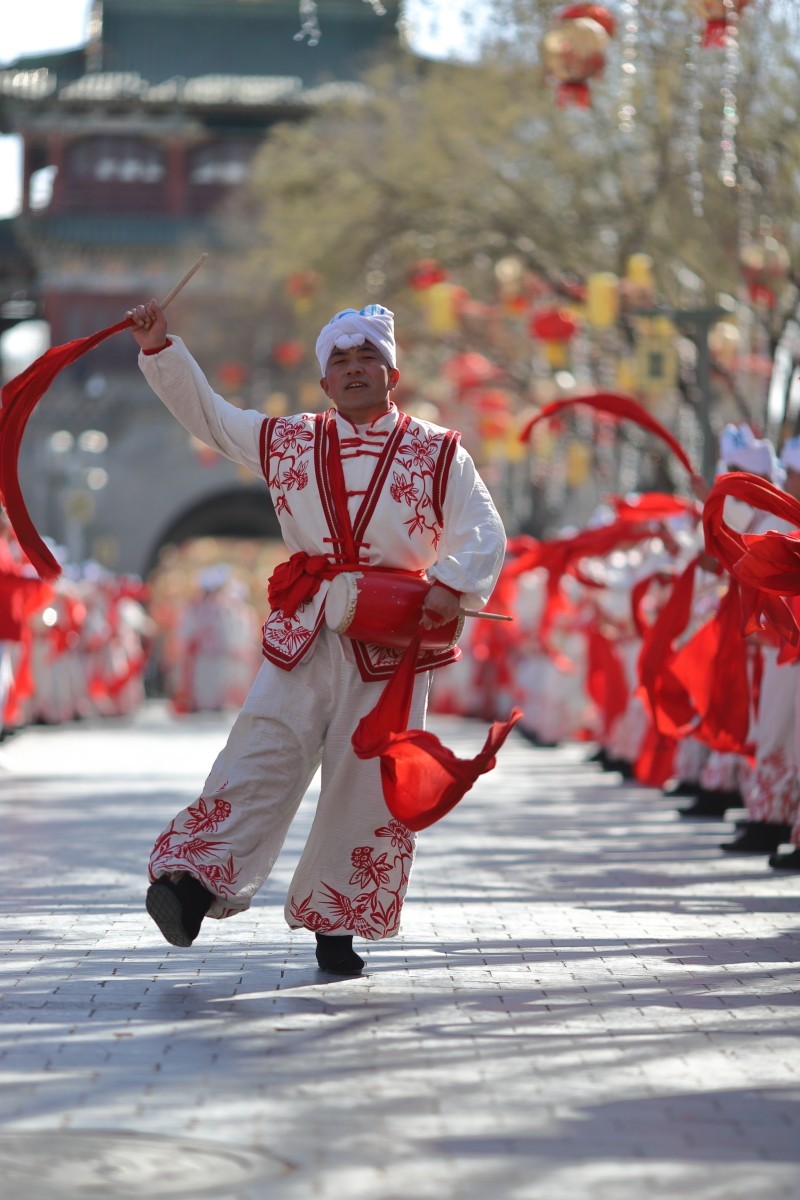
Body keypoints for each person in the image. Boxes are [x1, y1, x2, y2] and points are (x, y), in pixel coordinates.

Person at [126, 299, 507, 975]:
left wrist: (450, 582)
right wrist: (161, 349)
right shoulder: (287, 439)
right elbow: (211, 415)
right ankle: (190, 885)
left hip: (392, 640)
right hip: (306, 630)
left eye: (368, 359)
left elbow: (484, 531)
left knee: (364, 779)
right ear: (324, 381)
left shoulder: (439, 451)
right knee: (262, 749)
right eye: (341, 361)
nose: (355, 370)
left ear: (393, 374)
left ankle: (339, 927)